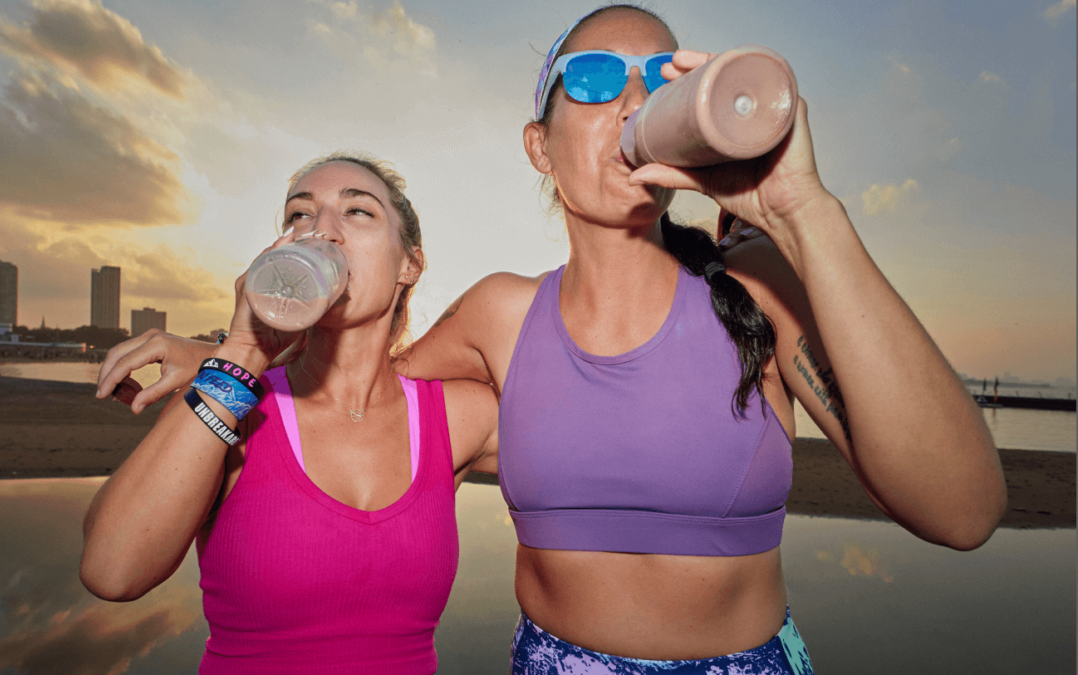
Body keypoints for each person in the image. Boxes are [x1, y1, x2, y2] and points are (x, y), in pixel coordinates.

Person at [96, 5, 1008, 674]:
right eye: (596, 81)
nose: (630, 103)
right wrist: (224, 361)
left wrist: (805, 213)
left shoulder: (757, 290)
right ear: (541, 144)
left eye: (659, 80)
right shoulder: (500, 316)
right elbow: (365, 394)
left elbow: (960, 511)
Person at [81, 154, 499, 674]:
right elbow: (112, 572)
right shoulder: (232, 402)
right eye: (299, 216)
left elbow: (608, 444)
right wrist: (238, 353)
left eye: (358, 212)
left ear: (410, 264)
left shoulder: (455, 416)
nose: (321, 230)